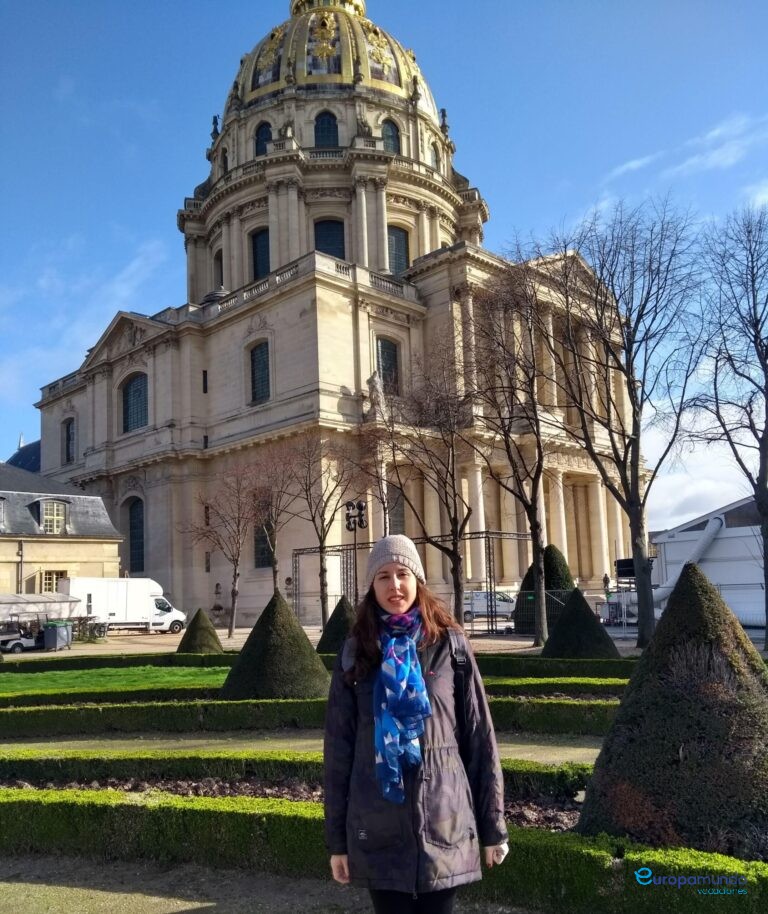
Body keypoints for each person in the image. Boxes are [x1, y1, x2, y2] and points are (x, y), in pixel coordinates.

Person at [324, 534, 508, 914]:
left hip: (444, 821)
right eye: (384, 576)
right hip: (378, 826)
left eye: (403, 574)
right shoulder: (355, 651)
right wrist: (337, 843)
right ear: (371, 587)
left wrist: (493, 829)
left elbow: (479, 739)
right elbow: (339, 752)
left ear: (418, 581)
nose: (395, 585)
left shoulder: (450, 646)